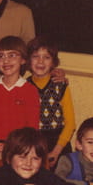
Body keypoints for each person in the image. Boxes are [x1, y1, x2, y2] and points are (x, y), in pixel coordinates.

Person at [0, 127, 82, 185]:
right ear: (9, 157)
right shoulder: (3, 174)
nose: (28, 163)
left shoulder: (42, 174)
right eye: (22, 157)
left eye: (35, 158)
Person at [0, 36, 40, 152]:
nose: (6, 61)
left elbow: (32, 129)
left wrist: (11, 146)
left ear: (23, 59)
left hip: (18, 147)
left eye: (12, 55)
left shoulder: (30, 91)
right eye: (1, 56)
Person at [27, 36, 74, 167]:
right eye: (36, 56)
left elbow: (70, 124)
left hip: (59, 145)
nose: (40, 61)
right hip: (33, 144)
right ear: (29, 60)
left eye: (46, 57)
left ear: (53, 62)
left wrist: (56, 152)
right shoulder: (24, 86)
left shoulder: (60, 85)